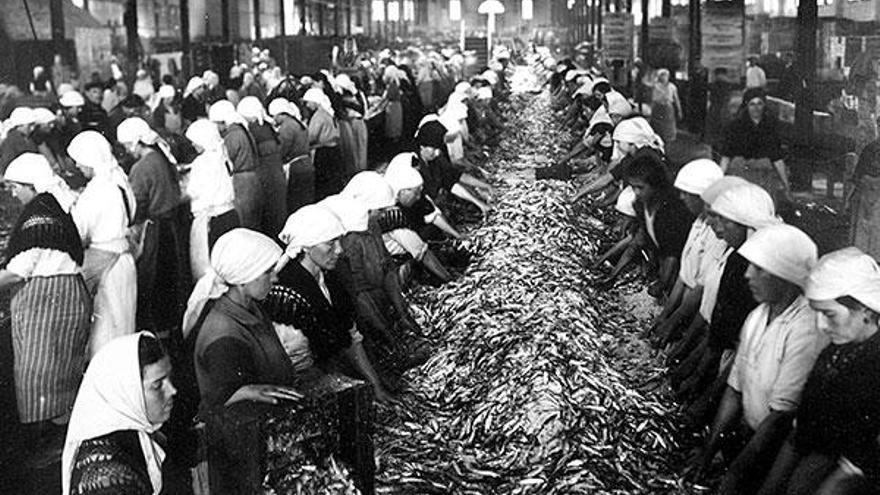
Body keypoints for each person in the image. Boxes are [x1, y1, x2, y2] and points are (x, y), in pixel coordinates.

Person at [694, 224, 827, 494]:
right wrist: (708, 453)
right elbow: (734, 390)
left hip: (776, 453)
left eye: (759, 269)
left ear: (786, 276)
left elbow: (779, 418)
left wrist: (733, 475)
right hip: (752, 439)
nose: (747, 275)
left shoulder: (806, 330)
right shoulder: (757, 316)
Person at [758, 248, 880, 495]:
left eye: (828, 314)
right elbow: (803, 429)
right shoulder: (836, 351)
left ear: (866, 311)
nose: (821, 326)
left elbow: (855, 468)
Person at [266, 205, 395, 402]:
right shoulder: (287, 292)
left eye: (339, 242)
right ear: (307, 247)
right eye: (330, 244)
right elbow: (297, 364)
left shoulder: (329, 278)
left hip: (326, 364)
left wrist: (375, 384)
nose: (340, 250)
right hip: (300, 380)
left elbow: (350, 336)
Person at [0, 154, 91, 432]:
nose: (14, 194)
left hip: (50, 302)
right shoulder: (52, 205)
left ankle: (48, 442)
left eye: (16, 187)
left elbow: (18, 271)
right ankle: (60, 433)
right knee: (59, 371)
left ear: (31, 185)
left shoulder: (39, 216)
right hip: (64, 295)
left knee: (39, 373)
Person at [318, 194, 430, 392]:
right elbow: (358, 295)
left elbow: (387, 267)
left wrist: (402, 313)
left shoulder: (371, 226)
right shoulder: (349, 242)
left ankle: (384, 361)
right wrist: (389, 335)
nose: (382, 214)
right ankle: (378, 370)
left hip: (365, 302)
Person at [62, 332, 175, 495]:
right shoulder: (108, 482)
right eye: (157, 385)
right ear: (127, 392)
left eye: (169, 378)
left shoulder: (132, 434)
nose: (172, 390)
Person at [67, 131, 138, 357]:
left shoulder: (96, 191)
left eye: (80, 160)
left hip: (105, 264)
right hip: (124, 260)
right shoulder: (119, 181)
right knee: (124, 323)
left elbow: (78, 233)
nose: (77, 165)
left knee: (106, 332)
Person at [117, 117, 186, 339]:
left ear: (137, 143)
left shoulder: (142, 167)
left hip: (155, 228)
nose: (129, 151)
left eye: (128, 146)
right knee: (170, 277)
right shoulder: (161, 157)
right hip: (171, 225)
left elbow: (137, 204)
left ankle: (156, 332)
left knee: (153, 280)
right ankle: (171, 327)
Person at [649, 159, 725, 345]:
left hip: (695, 315)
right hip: (683, 307)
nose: (682, 197)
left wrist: (672, 322)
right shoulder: (698, 221)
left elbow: (700, 288)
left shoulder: (719, 234)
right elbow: (684, 276)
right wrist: (665, 315)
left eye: (686, 193)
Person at [623, 151, 694, 294]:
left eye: (641, 187)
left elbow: (672, 255)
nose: (636, 192)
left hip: (685, 270)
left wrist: (662, 283)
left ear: (655, 185)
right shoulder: (640, 206)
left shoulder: (671, 211)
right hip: (665, 266)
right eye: (633, 187)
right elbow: (641, 241)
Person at [183, 120, 239, 280]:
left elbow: (192, 190)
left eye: (195, 141)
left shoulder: (203, 162)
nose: (193, 145)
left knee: (212, 270)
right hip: (229, 214)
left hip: (212, 220)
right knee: (230, 266)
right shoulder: (222, 155)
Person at [720, 88, 790, 201]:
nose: (756, 108)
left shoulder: (770, 126)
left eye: (759, 104)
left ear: (764, 105)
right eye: (752, 104)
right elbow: (726, 156)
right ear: (746, 106)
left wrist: (786, 185)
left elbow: (777, 158)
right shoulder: (735, 127)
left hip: (763, 178)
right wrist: (720, 179)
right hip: (741, 176)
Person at [412, 121, 494, 217]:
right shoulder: (413, 164)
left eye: (438, 149)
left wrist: (482, 192)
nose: (437, 152)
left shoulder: (436, 159)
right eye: (434, 149)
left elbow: (453, 178)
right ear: (422, 146)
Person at [237, 96, 287, 237]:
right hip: (276, 173)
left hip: (266, 176)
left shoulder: (254, 129)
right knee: (277, 214)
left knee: (269, 216)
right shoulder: (267, 126)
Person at [209, 100, 262, 230]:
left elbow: (225, 159)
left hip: (242, 182)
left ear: (222, 121)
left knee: (245, 221)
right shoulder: (243, 129)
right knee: (254, 221)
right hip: (254, 177)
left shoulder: (232, 135)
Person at [268, 97, 314, 212]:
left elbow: (283, 148)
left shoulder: (287, 127)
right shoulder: (297, 123)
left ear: (281, 114)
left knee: (296, 202)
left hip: (297, 167)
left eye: (274, 116)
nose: (274, 119)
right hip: (307, 164)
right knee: (306, 200)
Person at [303, 88, 345, 200]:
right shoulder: (328, 112)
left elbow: (311, 136)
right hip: (334, 150)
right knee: (334, 183)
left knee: (324, 186)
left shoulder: (318, 116)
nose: (307, 105)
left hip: (324, 153)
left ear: (314, 101)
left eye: (308, 102)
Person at [848, 116, 880, 260]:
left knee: (863, 237)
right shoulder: (870, 149)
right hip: (870, 195)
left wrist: (848, 200)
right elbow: (857, 177)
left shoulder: (870, 148)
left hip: (867, 195)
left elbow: (857, 178)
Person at [0, 107, 38, 174]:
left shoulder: (30, 138)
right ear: (19, 125)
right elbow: (6, 162)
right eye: (29, 125)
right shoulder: (11, 140)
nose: (32, 129)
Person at [650, 69, 682, 145]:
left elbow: (676, 99)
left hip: (668, 108)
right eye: (662, 76)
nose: (664, 77)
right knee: (657, 127)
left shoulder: (672, 87)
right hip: (657, 108)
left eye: (666, 76)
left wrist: (679, 110)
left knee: (668, 128)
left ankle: (668, 144)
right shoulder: (655, 86)